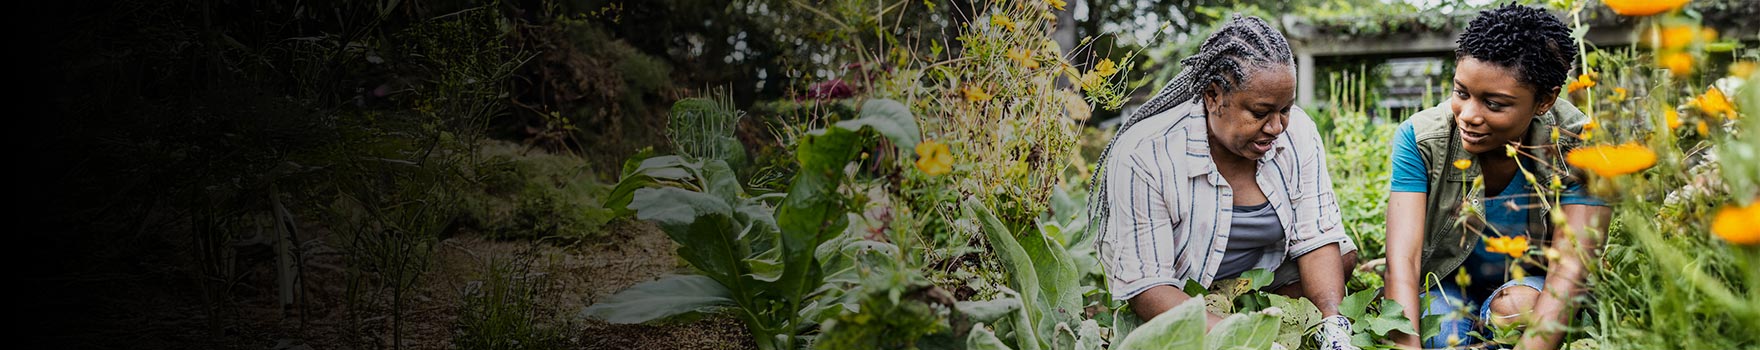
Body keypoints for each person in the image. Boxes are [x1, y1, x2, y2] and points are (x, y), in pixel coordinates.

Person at [1091, 14, 1359, 350]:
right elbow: (1148, 287)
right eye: (1260, 112)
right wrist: (1248, 341)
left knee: (1341, 254)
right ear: (1213, 96)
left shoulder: (1298, 132)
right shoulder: (1146, 154)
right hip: (1183, 291)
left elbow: (1317, 237)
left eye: (1285, 109)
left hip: (1262, 282)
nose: (1277, 127)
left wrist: (1332, 324)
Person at [1382, 5, 1612, 349]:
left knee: (1516, 311)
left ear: (1545, 100)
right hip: (1446, 285)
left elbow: (1569, 272)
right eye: (1462, 93)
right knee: (1445, 337)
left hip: (1528, 291)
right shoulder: (1420, 139)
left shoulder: (1580, 146)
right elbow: (1403, 261)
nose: (1469, 116)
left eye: (1495, 104)